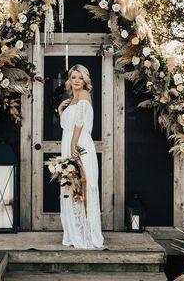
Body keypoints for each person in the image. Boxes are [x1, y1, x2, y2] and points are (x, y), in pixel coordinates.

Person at [58, 64, 104, 249]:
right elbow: (66, 125)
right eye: (73, 77)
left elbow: (79, 123)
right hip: (69, 142)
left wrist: (73, 144)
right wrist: (60, 110)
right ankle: (74, 232)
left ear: (85, 80)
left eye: (79, 77)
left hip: (80, 144)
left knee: (82, 186)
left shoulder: (85, 95)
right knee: (71, 187)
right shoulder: (72, 98)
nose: (76, 81)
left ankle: (86, 234)